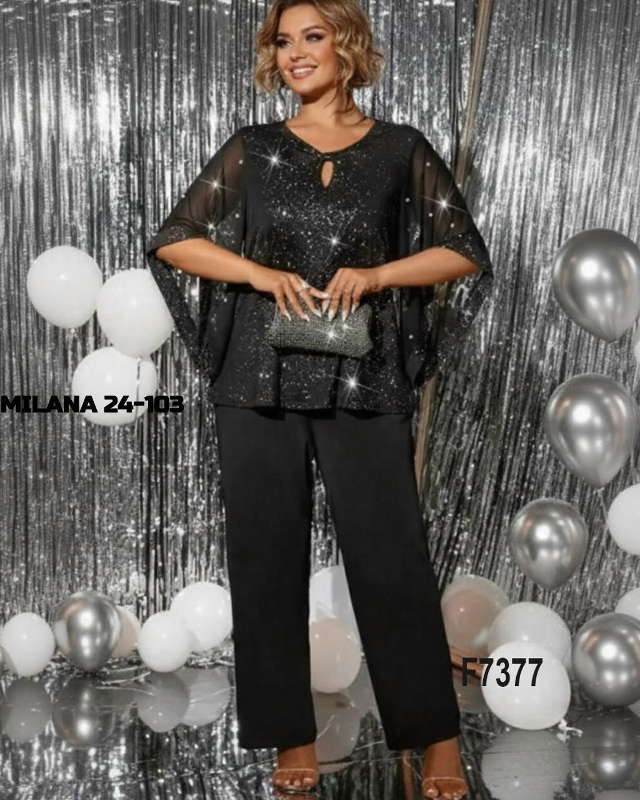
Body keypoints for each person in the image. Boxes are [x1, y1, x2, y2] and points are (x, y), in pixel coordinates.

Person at [145, 1, 493, 797]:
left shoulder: (400, 149)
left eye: (313, 36)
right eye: (283, 41)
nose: (295, 52)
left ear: (348, 46)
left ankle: (435, 736)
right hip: (255, 377)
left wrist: (377, 275)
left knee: (392, 558)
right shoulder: (255, 148)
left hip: (361, 375)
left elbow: (461, 251)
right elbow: (175, 239)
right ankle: (290, 735)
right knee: (264, 557)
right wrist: (257, 273)